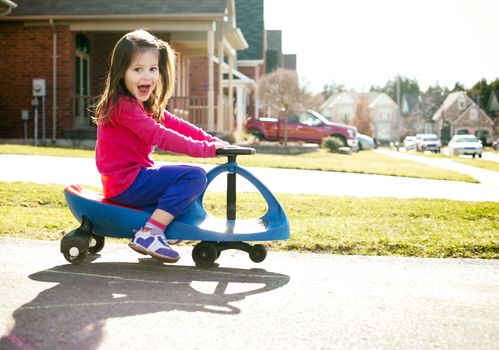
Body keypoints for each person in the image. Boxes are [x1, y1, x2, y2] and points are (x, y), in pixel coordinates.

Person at [93, 29, 229, 263]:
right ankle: (150, 233)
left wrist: (211, 141)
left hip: (129, 180)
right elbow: (160, 135)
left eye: (153, 69)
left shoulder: (141, 104)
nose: (147, 76)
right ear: (121, 73)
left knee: (182, 185)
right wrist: (205, 150)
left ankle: (164, 229)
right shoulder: (123, 106)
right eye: (138, 69)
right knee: (193, 177)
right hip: (126, 182)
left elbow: (176, 124)